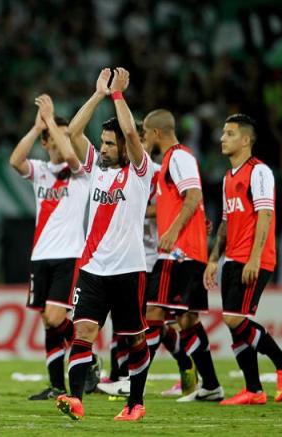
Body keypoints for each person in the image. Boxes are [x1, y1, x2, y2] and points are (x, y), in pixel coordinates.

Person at [56, 68, 154, 421]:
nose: (104, 148)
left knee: (134, 340)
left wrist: (118, 95)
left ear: (126, 147)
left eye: (110, 144)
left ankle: (136, 403)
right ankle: (76, 398)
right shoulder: (97, 167)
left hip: (128, 270)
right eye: (104, 142)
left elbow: (130, 129)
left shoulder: (142, 171)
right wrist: (97, 94)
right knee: (83, 331)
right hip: (93, 268)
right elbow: (73, 132)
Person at [204, 114, 282, 405]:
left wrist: (255, 258)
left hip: (253, 259)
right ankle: (253, 389)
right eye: (223, 132)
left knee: (234, 319)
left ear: (246, 140)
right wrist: (213, 259)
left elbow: (265, 214)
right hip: (232, 258)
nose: (223, 138)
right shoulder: (227, 177)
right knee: (236, 324)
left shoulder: (259, 172)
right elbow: (224, 222)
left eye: (230, 133)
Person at [97, 122, 197, 398]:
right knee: (141, 321)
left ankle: (128, 377)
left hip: (149, 255)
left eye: (138, 137)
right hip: (126, 254)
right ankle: (126, 374)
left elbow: (180, 201)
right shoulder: (118, 172)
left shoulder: (153, 171)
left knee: (142, 321)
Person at [9, 95, 96, 401]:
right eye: (54, 138)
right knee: (48, 319)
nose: (59, 142)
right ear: (46, 144)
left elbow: (71, 154)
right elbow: (15, 161)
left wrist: (55, 121)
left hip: (70, 254)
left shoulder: (81, 172)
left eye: (63, 137)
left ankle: (88, 355)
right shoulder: (41, 170)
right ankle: (57, 384)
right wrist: (37, 128)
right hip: (41, 255)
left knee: (56, 317)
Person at [141, 108, 224, 402]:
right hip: (188, 250)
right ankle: (212, 386)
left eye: (145, 133)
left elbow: (194, 196)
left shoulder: (178, 157)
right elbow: (186, 203)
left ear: (155, 133)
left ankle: (133, 383)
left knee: (153, 313)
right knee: (187, 322)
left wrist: (173, 232)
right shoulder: (171, 161)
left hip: (178, 253)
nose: (144, 139)